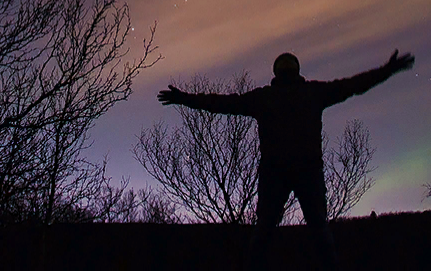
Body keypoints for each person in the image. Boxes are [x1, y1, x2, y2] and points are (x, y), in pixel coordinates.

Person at [158, 49, 416, 271]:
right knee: (314, 232)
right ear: (296, 71)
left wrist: (185, 99)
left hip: (281, 172)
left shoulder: (268, 97)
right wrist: (386, 71)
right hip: (298, 172)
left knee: (268, 233)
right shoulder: (312, 93)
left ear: (277, 73)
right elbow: (354, 85)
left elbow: (222, 103)